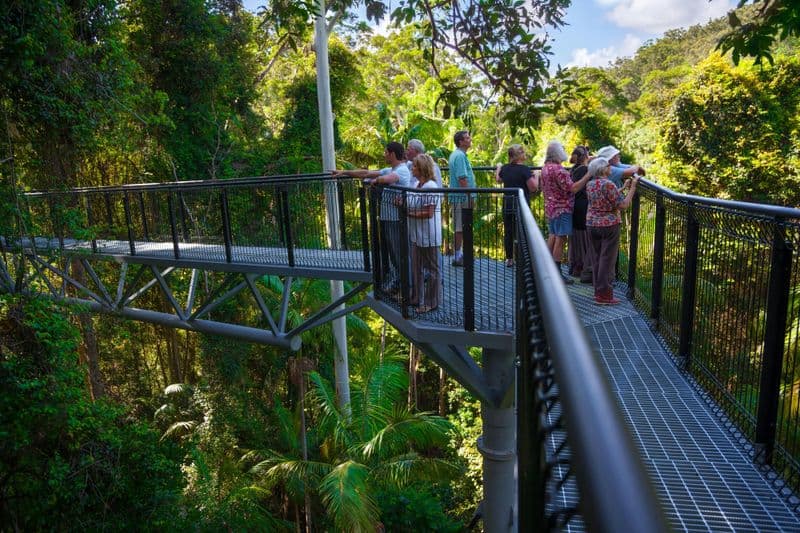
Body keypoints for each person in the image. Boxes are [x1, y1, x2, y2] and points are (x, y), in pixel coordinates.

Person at [332, 141, 411, 291]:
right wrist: (344, 172)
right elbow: (366, 173)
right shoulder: (390, 169)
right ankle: (399, 281)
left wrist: (376, 181)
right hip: (387, 217)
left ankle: (406, 284)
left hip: (396, 218)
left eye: (386, 152)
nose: (384, 155)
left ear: (393, 154)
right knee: (392, 252)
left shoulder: (401, 170)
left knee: (398, 252)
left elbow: (388, 179)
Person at [585, 156, 639, 305]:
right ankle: (605, 295)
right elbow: (623, 205)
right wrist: (633, 187)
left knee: (596, 258)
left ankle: (598, 291)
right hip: (608, 225)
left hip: (591, 223)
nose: (611, 168)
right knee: (607, 259)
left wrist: (623, 188)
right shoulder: (608, 184)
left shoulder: (590, 184)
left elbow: (605, 198)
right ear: (603, 169)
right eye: (609, 166)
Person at [540, 141, 592, 284]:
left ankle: (545, 268)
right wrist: (588, 175)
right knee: (561, 239)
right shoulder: (559, 170)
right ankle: (557, 274)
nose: (564, 150)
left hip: (550, 208)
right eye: (562, 149)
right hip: (562, 209)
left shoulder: (546, 168)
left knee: (553, 235)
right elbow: (573, 188)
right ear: (557, 153)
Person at [407, 154, 442, 313]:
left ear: (421, 168)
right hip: (417, 234)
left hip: (429, 235)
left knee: (432, 270)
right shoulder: (417, 185)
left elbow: (429, 213)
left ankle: (431, 302)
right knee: (417, 268)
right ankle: (416, 297)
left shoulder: (430, 186)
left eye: (414, 166)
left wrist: (408, 213)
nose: (412, 168)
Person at [494, 144, 538, 267]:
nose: (525, 154)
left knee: (509, 231)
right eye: (523, 152)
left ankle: (509, 258)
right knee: (522, 231)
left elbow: (498, 179)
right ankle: (522, 258)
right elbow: (533, 188)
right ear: (519, 155)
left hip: (508, 203)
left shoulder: (506, 168)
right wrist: (536, 175)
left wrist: (498, 168)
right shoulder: (524, 169)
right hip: (521, 205)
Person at [448, 130, 476, 267]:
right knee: (460, 227)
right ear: (460, 142)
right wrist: (470, 196)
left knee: (461, 226)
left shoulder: (459, 155)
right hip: (462, 197)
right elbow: (462, 179)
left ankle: (460, 254)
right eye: (466, 138)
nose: (470, 139)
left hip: (461, 196)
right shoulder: (459, 156)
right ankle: (457, 256)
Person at [568, 145, 593, 283]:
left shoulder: (573, 169)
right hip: (583, 206)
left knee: (576, 236)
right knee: (584, 237)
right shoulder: (585, 170)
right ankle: (583, 267)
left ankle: (575, 266)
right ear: (586, 157)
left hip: (575, 206)